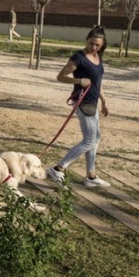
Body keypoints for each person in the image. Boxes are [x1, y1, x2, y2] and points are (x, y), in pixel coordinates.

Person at [46, 26, 110, 188]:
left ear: (102, 45)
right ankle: (58, 169)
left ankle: (90, 176)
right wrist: (79, 81)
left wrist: (104, 101)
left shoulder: (97, 57)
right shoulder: (78, 58)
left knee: (95, 140)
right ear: (86, 40)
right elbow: (60, 76)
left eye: (97, 45)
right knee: (89, 140)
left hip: (93, 102)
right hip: (82, 102)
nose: (93, 47)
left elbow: (98, 82)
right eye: (91, 43)